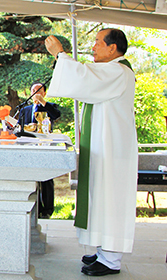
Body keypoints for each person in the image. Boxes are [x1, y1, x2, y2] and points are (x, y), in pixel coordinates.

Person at [45, 28, 137, 276]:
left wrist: (61, 55)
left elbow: (83, 76)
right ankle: (103, 251)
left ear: (112, 48)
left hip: (113, 151)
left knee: (110, 200)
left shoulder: (118, 71)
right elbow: (85, 79)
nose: (93, 47)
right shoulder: (111, 71)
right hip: (103, 147)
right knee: (100, 199)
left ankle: (111, 259)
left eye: (97, 42)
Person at [20, 82, 61, 218]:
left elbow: (56, 115)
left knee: (46, 178)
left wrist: (43, 103)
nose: (36, 93)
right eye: (33, 90)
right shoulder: (25, 109)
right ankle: (32, 207)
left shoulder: (50, 107)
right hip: (29, 146)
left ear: (44, 93)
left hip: (44, 145)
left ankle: (47, 209)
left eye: (39, 91)